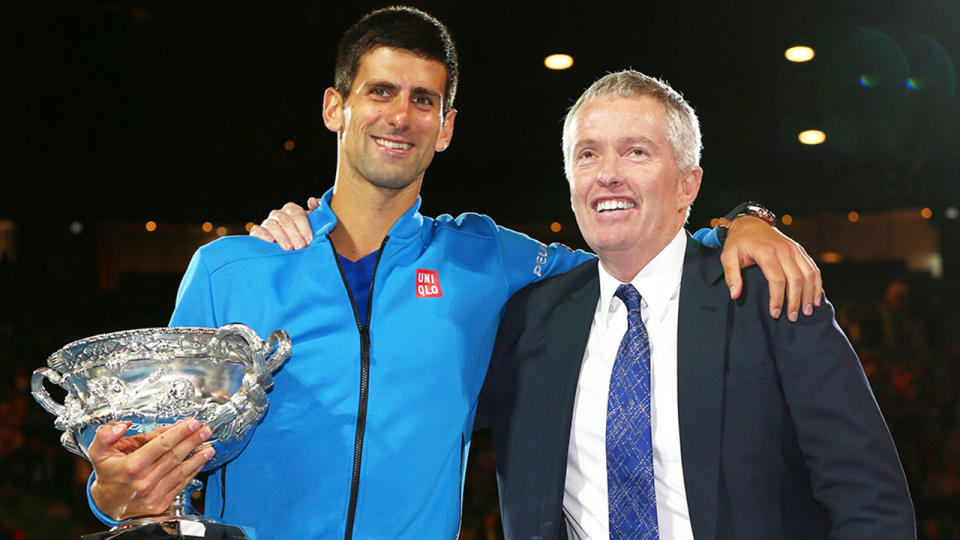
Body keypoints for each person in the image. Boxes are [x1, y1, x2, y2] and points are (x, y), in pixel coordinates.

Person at [84, 7, 821, 539]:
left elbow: (634, 248)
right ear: (335, 108)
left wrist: (739, 221)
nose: (400, 116)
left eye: (423, 99)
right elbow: (142, 460)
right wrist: (108, 491)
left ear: (447, 125)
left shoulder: (486, 260)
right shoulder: (230, 269)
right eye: (379, 92)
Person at [478, 70, 915, 539]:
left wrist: (745, 221)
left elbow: (869, 502)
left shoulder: (767, 292)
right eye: (587, 154)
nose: (607, 174)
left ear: (688, 184)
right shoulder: (528, 320)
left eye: (636, 151)